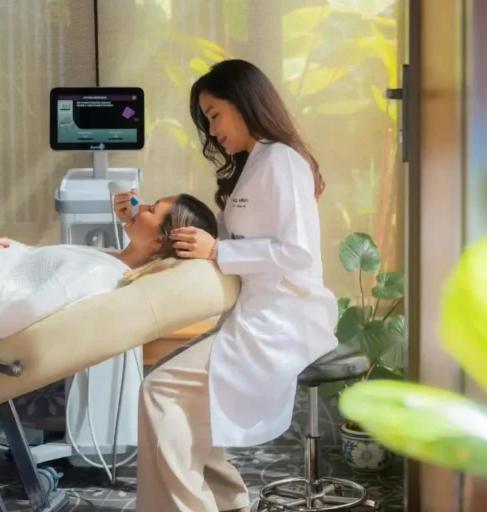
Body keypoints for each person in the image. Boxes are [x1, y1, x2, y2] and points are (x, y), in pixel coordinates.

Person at [123, 59, 339, 512]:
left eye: (214, 113)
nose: (211, 129)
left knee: (160, 390)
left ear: (243, 103)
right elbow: (214, 235)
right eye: (206, 119)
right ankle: (228, 501)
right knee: (184, 403)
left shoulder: (281, 160)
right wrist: (140, 224)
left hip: (285, 318)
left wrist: (219, 251)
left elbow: (297, 253)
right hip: (255, 313)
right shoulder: (252, 165)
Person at [0, 193, 217, 340]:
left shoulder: (96, 276)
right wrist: (13, 248)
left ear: (157, 242)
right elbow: (35, 269)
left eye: (151, 209)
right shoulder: (108, 260)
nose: (138, 207)